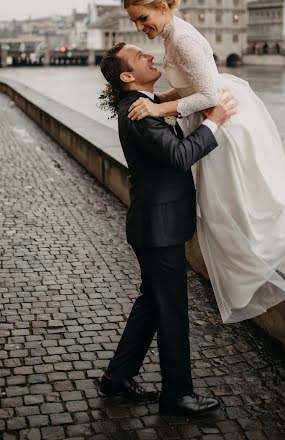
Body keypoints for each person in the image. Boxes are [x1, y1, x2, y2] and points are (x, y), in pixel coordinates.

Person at [115, 0, 285, 325]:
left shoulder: (182, 39)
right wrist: (163, 97)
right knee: (243, 206)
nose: (140, 27)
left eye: (142, 18)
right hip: (217, 122)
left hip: (223, 127)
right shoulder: (174, 34)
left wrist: (158, 108)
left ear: (160, 6)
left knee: (232, 214)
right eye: (135, 21)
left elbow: (209, 97)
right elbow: (192, 86)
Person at [98, 42, 237, 416]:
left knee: (152, 305)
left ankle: (117, 377)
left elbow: (174, 98)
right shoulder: (139, 112)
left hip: (153, 224)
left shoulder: (146, 102)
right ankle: (177, 395)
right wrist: (215, 122)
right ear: (128, 76)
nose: (147, 54)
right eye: (138, 55)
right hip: (157, 228)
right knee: (171, 310)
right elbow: (179, 157)